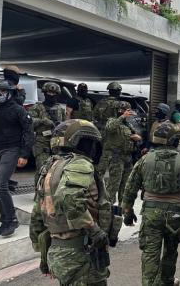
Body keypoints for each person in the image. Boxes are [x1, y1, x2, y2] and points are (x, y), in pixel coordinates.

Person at [29, 119, 112, 285]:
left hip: (58, 251)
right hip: (80, 252)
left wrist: (44, 255)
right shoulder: (79, 164)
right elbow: (70, 198)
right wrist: (94, 230)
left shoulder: (50, 167)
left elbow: (38, 212)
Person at [121, 121, 180, 286]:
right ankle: (167, 281)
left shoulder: (144, 160)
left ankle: (149, 283)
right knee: (171, 251)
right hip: (177, 215)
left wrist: (127, 212)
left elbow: (129, 190)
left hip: (151, 214)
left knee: (150, 253)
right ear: (174, 140)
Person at [0, 80, 33, 237]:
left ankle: (12, 220)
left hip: (11, 150)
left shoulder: (19, 110)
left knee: (0, 184)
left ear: (10, 93)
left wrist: (24, 154)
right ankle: (5, 222)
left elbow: (28, 132)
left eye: (2, 91)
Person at [98, 101, 142, 204]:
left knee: (126, 186)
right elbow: (110, 128)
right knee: (113, 185)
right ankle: (108, 207)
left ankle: (122, 208)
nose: (126, 113)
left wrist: (135, 137)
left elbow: (136, 136)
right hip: (116, 158)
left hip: (127, 158)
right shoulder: (112, 120)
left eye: (127, 111)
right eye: (124, 110)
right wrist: (122, 116)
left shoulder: (128, 124)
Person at [28, 82, 66, 181]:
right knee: (42, 169)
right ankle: (39, 194)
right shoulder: (37, 107)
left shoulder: (60, 109)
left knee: (56, 171)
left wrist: (61, 125)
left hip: (57, 142)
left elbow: (66, 124)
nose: (51, 95)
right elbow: (28, 122)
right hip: (41, 142)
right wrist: (42, 121)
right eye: (49, 93)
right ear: (44, 93)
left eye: (54, 93)